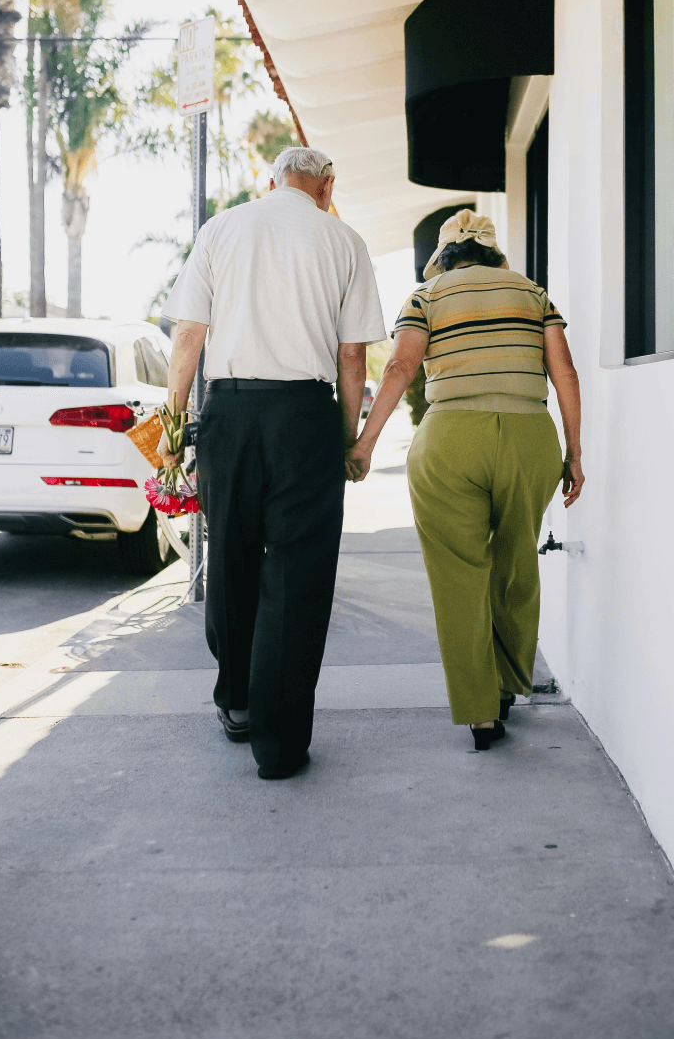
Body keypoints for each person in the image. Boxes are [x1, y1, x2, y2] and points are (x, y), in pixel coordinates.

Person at [160, 146, 386, 779]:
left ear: (271, 182)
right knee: (296, 576)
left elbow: (187, 337)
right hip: (305, 418)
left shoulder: (222, 229)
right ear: (325, 185)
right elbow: (351, 357)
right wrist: (344, 439)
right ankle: (279, 746)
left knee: (230, 557)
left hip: (230, 414)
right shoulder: (344, 240)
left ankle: (236, 702)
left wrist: (174, 427)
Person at [346, 209, 583, 751]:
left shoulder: (425, 297)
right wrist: (574, 452)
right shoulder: (533, 294)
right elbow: (563, 370)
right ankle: (506, 683)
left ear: (443, 257)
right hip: (528, 436)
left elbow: (401, 368)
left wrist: (365, 444)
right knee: (516, 560)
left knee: (459, 576)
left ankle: (480, 714)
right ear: (493, 254)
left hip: (450, 439)